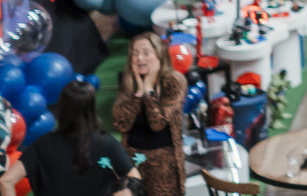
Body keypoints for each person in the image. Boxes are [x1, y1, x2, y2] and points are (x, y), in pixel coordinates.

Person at [0, 80, 143, 196]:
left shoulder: (43, 144)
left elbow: (6, 181)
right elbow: (134, 179)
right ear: (92, 110)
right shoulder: (106, 143)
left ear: (62, 110)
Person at [111, 32, 187, 196]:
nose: (139, 58)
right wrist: (138, 93)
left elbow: (157, 123)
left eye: (146, 53)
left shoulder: (174, 81)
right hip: (133, 162)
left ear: (158, 55)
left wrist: (149, 91)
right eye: (135, 53)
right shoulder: (128, 81)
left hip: (163, 165)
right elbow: (121, 123)